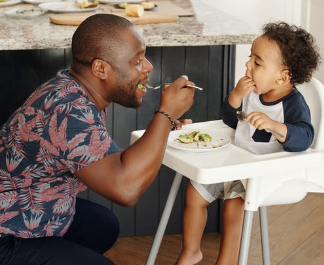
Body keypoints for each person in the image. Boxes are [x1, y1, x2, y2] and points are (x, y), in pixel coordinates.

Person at [0, 14, 196, 265]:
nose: (148, 67)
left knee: (103, 226)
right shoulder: (68, 110)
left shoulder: (71, 88)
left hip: (36, 205)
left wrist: (163, 134)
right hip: (9, 231)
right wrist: (166, 116)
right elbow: (125, 190)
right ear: (100, 69)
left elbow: (103, 159)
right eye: (137, 60)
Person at [176, 21, 321, 265]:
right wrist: (235, 97)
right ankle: (191, 251)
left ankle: (228, 260)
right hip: (233, 164)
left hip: (261, 175)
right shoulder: (251, 92)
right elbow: (231, 122)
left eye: (257, 62)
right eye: (249, 57)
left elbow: (304, 138)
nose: (247, 65)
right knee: (194, 192)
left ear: (283, 77)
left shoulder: (294, 105)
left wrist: (274, 125)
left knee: (233, 208)